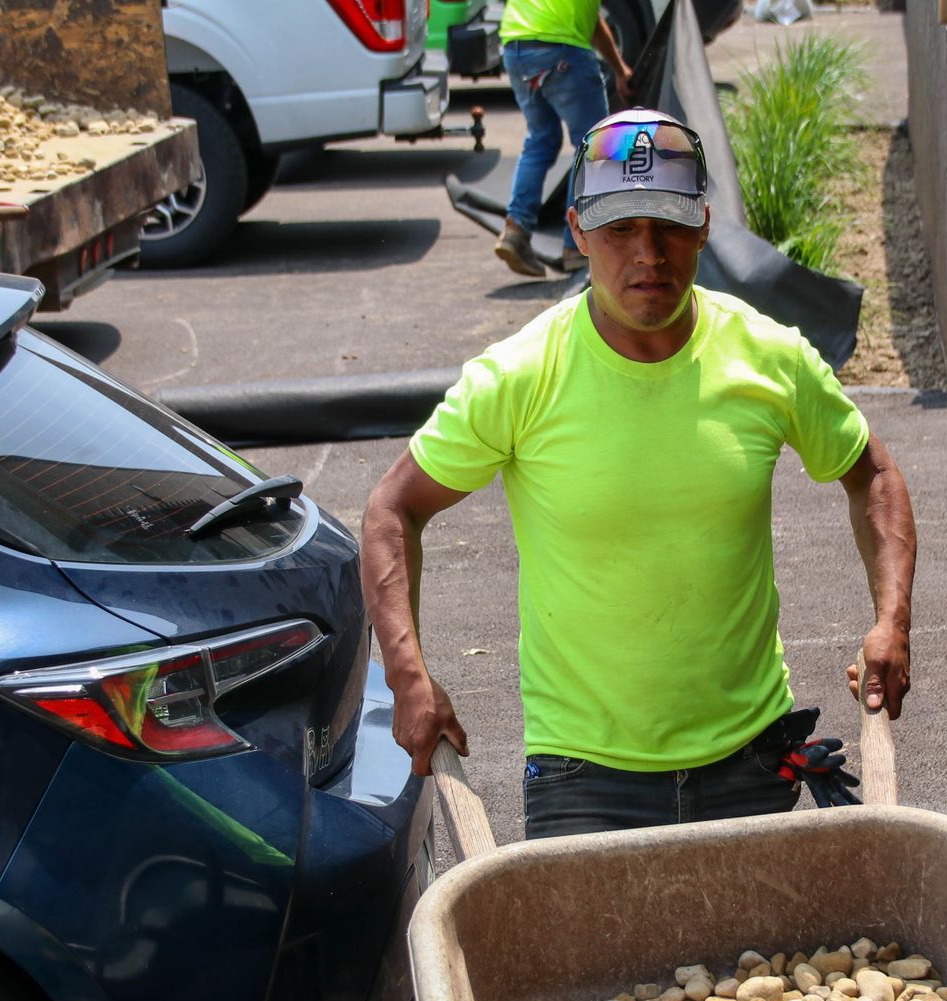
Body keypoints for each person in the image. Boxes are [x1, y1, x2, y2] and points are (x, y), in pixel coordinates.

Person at [363, 108, 916, 839]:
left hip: (752, 762)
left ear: (705, 226)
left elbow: (872, 474)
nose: (647, 254)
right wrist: (409, 679)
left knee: (767, 962)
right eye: (620, 227)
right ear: (578, 230)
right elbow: (392, 510)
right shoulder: (523, 374)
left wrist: (892, 622)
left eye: (668, 224)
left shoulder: (767, 358)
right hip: (583, 779)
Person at [493, 0, 632, 277]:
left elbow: (591, 21)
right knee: (595, 146)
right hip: (561, 51)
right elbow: (589, 20)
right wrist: (619, 70)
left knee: (541, 140)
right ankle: (577, 246)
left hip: (516, 47)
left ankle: (515, 231)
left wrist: (618, 68)